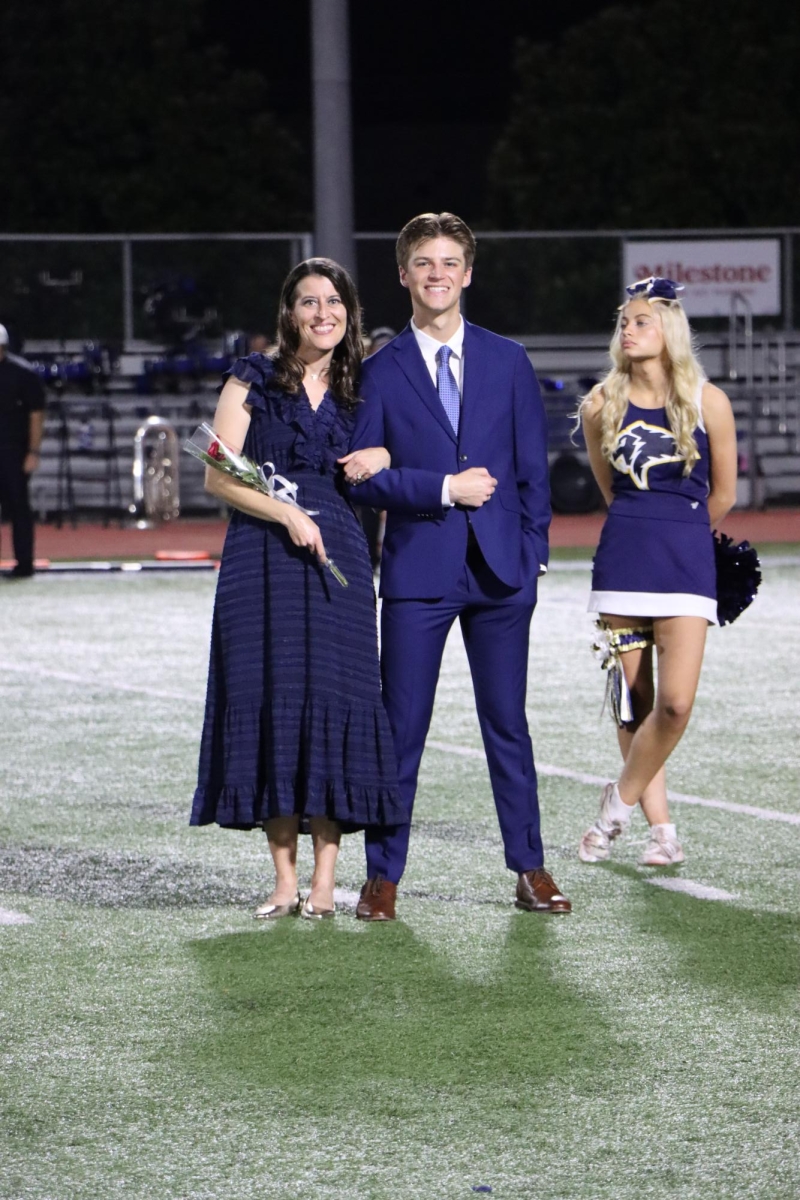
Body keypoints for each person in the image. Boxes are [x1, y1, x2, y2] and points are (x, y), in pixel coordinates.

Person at [339, 211, 571, 920]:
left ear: (467, 274)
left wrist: (531, 559)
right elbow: (362, 478)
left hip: (502, 575)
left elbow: (533, 472)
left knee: (508, 724)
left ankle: (529, 868)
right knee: (401, 727)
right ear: (404, 274)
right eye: (423, 263)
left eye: (449, 263)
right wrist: (440, 488)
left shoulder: (507, 359)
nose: (437, 275)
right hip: (418, 573)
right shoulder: (377, 372)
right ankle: (383, 876)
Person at [191, 258, 404, 919]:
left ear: (349, 313)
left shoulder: (363, 388)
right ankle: (284, 881)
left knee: (334, 698)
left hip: (336, 551)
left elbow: (399, 448)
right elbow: (219, 476)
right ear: (289, 314)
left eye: (333, 302)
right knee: (275, 697)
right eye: (309, 302)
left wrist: (387, 456)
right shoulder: (252, 376)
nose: (322, 313)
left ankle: (324, 881)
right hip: (262, 552)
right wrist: (284, 512)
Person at [577, 276, 738, 866]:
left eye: (641, 320)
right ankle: (662, 831)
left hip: (685, 563)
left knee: (674, 705)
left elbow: (723, 493)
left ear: (667, 330)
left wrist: (682, 532)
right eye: (625, 321)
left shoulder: (707, 400)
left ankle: (615, 806)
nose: (628, 328)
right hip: (624, 561)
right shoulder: (601, 402)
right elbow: (609, 490)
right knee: (634, 703)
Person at [0, 324, 46, 579]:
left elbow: (36, 414)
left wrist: (33, 451)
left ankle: (24, 564)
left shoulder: (22, 374)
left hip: (13, 451)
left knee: (19, 508)